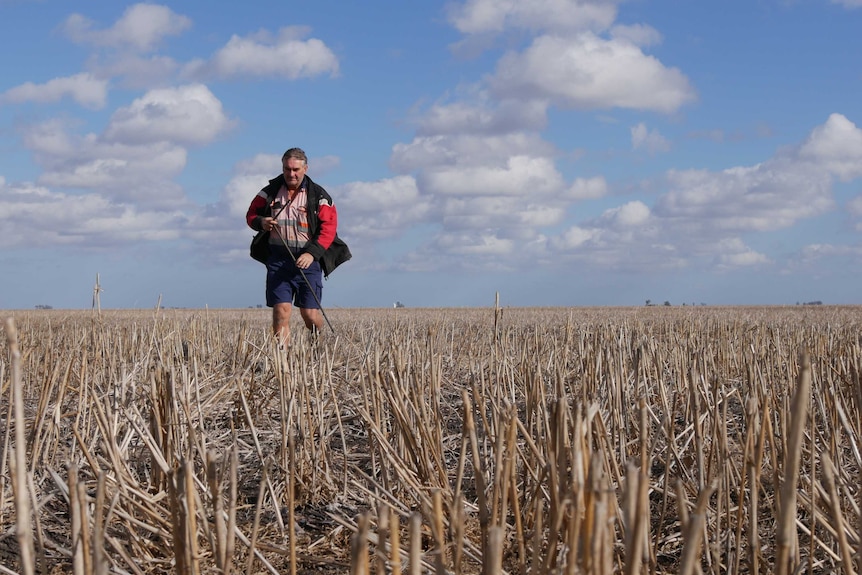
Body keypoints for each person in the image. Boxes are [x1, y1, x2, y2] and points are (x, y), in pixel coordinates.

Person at [246, 148, 338, 345]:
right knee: (281, 312)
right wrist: (261, 222)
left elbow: (329, 228)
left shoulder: (319, 195)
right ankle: (284, 358)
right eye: (287, 169)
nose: (291, 174)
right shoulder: (269, 192)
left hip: (308, 261)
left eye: (296, 169)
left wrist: (312, 254)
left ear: (305, 168)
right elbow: (251, 215)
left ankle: (318, 341)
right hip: (278, 260)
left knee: (310, 314)